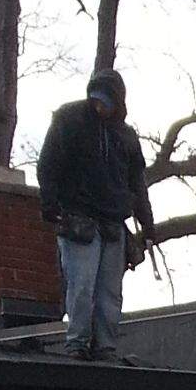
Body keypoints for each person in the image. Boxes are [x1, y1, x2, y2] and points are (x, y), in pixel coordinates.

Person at [35, 68, 156, 361]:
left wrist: (148, 225)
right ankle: (78, 342)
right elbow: (48, 164)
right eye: (96, 99)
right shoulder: (69, 119)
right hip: (79, 219)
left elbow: (138, 184)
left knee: (108, 292)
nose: (100, 105)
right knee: (82, 285)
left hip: (112, 223)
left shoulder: (125, 136)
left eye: (106, 100)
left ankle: (105, 346)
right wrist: (50, 205)